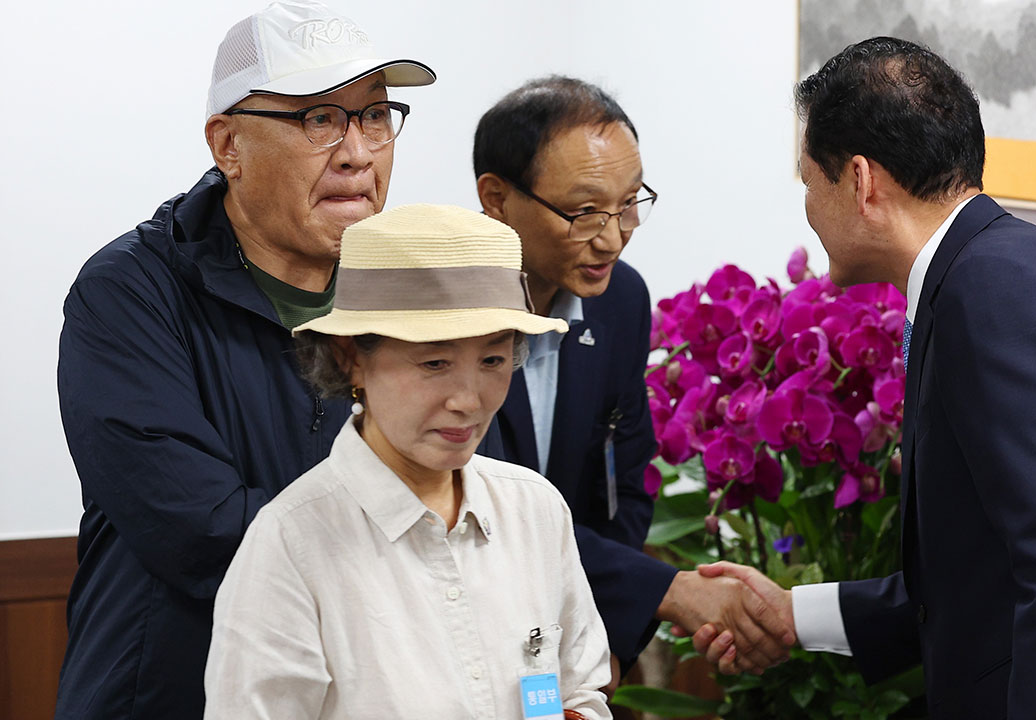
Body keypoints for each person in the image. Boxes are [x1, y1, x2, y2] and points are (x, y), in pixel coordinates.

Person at [694, 36, 1036, 718]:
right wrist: (794, 615)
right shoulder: (992, 268)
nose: (807, 208)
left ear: (862, 181)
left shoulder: (990, 292)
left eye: (809, 181)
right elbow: (977, 581)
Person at [54, 2, 434, 717]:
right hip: (169, 694)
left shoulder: (407, 293)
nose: (357, 151)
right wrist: (418, 537)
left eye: (376, 116)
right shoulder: (129, 292)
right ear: (227, 145)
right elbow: (203, 531)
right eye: (320, 119)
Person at [204, 204, 610, 720]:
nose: (468, 399)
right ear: (350, 356)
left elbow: (580, 691)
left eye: (492, 359)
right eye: (435, 362)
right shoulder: (292, 543)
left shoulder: (534, 509)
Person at [472, 76, 794, 680]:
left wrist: (604, 627)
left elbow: (625, 486)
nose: (614, 236)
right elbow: (482, 509)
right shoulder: (440, 314)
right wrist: (664, 591)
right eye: (585, 210)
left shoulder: (619, 300)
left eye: (629, 204)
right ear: (496, 198)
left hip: (559, 633)